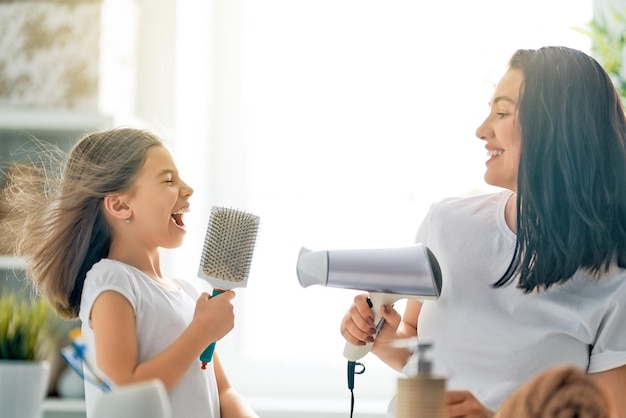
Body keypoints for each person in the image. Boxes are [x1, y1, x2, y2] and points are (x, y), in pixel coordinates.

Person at [340, 46, 626, 417]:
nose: (481, 130)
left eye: (502, 112)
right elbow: (420, 348)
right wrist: (381, 337)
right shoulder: (446, 224)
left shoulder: (614, 277)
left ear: (558, 131)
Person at [7, 128, 258, 418]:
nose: (188, 189)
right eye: (169, 180)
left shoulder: (187, 294)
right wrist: (200, 332)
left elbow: (223, 390)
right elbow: (125, 390)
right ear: (121, 205)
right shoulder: (112, 282)